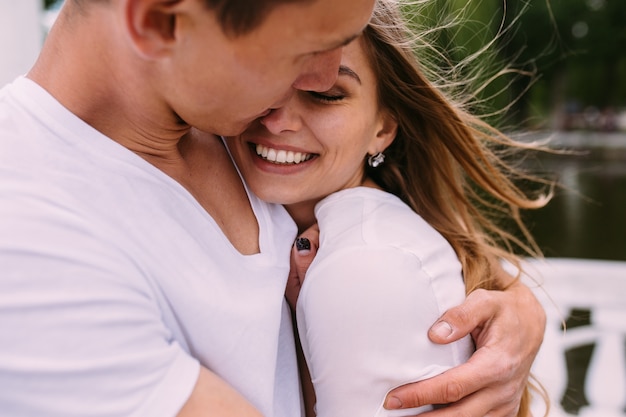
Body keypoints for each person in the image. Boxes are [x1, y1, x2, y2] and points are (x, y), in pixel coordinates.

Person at [0, 0, 544, 416]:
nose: (325, 75)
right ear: (160, 22)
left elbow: (395, 241)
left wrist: (513, 312)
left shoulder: (229, 128)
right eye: (305, 48)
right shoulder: (30, 243)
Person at [226, 0, 551, 415]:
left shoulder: (364, 264)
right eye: (265, 78)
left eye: (326, 95)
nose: (278, 120)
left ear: (382, 128)